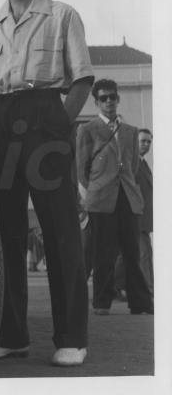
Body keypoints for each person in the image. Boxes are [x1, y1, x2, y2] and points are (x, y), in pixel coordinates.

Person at [0, 0, 93, 366]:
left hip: (46, 118)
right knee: (3, 235)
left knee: (59, 231)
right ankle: (12, 334)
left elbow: (81, 79)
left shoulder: (62, 15)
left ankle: (71, 337)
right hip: (0, 122)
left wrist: (59, 125)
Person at [76, 79, 153, 316]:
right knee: (103, 253)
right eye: (103, 98)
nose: (109, 101)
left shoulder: (130, 131)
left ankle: (140, 303)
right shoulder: (87, 130)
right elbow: (82, 168)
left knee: (132, 252)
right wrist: (96, 190)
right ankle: (101, 302)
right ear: (96, 102)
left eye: (112, 97)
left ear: (118, 99)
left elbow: (130, 166)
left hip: (128, 198)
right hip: (101, 199)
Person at [136, 128, 153, 293]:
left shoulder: (143, 163)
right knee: (144, 255)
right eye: (143, 141)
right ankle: (147, 290)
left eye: (149, 141)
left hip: (145, 219)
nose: (146, 144)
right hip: (137, 217)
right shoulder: (132, 163)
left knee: (146, 253)